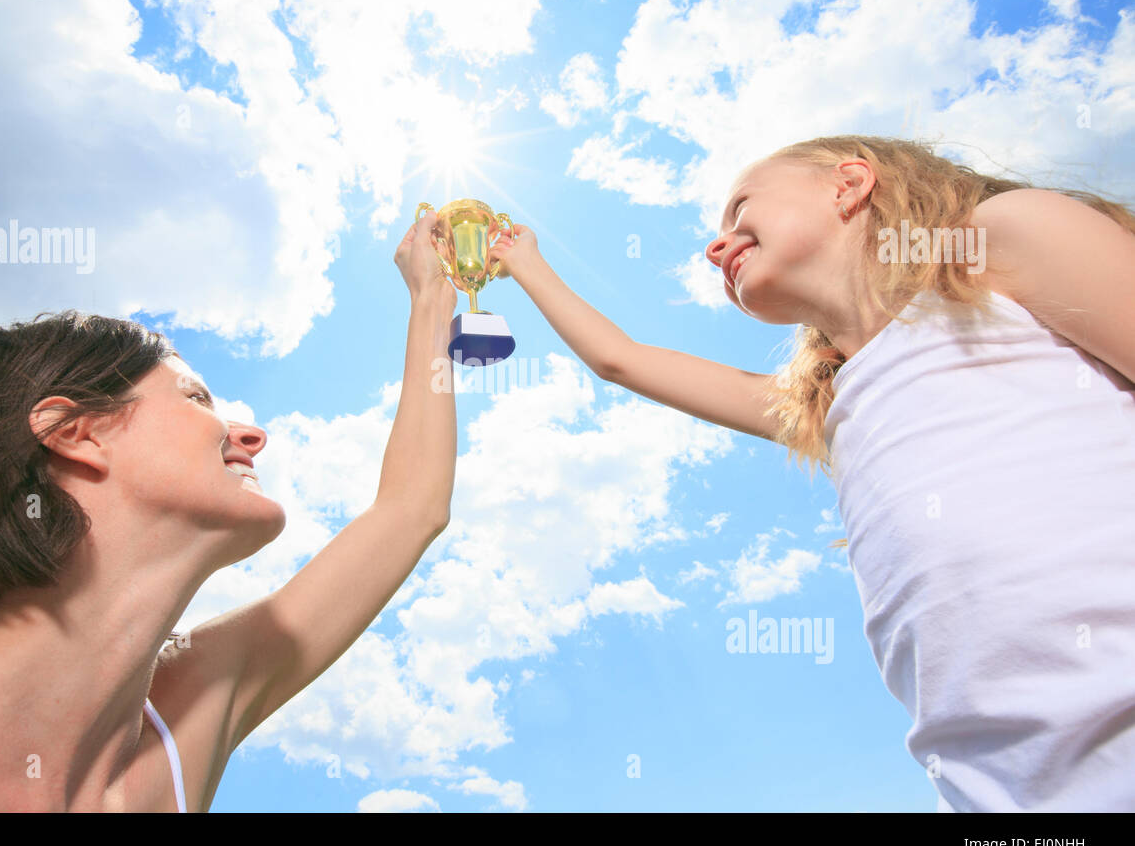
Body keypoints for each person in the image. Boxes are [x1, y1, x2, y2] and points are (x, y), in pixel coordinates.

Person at [486, 135, 1135, 811]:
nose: (717, 246)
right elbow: (619, 360)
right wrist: (523, 261)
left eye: (741, 212)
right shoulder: (822, 407)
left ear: (849, 184)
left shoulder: (1000, 239)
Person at [0, 211, 458, 811]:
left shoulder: (188, 721)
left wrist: (431, 299)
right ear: (76, 433)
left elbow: (412, 509)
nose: (251, 434)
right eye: (194, 396)